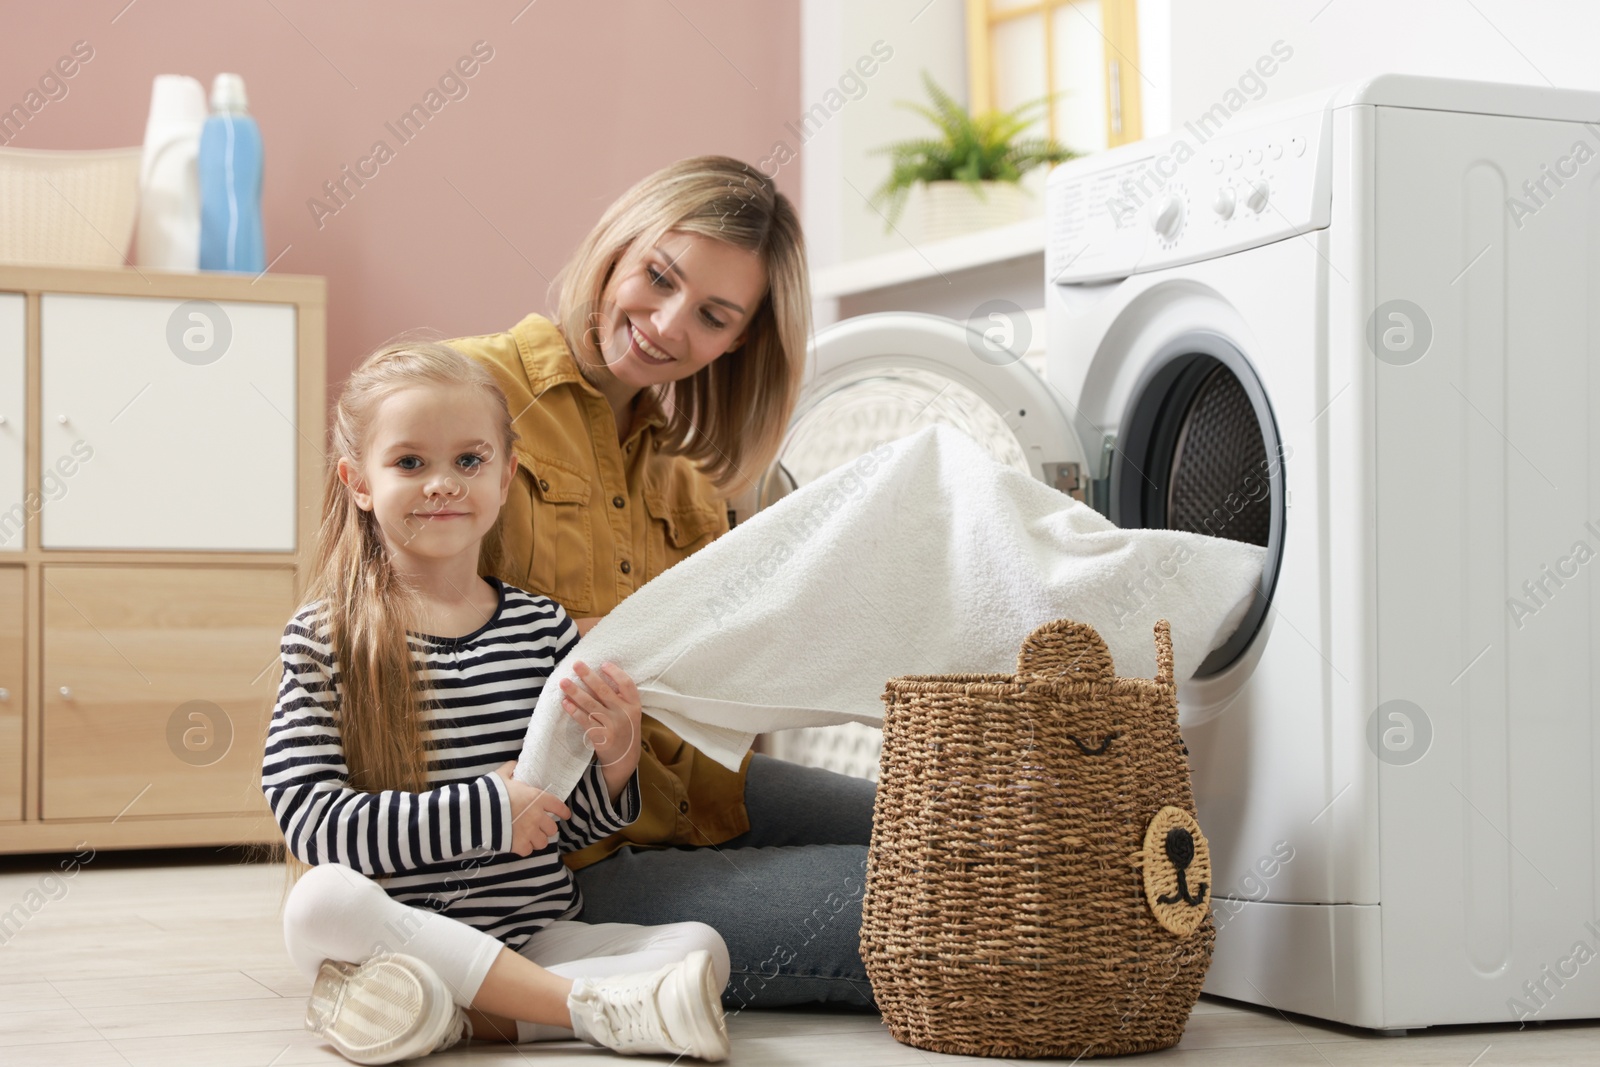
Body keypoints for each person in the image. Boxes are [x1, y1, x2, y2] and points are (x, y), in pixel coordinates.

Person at [448, 155, 879, 1011]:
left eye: (713, 315)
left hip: (689, 798)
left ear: (737, 341)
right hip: (556, 861)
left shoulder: (688, 483)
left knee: (957, 826)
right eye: (659, 276)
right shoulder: (468, 393)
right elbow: (389, 636)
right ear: (619, 246)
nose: (667, 325)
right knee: (930, 897)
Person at [261, 340, 732, 1063]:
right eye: (410, 462)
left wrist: (615, 760)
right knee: (321, 901)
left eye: (469, 461)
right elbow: (315, 823)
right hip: (397, 933)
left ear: (507, 475)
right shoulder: (325, 636)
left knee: (703, 946)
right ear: (358, 481)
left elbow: (566, 827)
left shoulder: (542, 628)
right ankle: (581, 1010)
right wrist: (490, 807)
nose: (443, 483)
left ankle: (448, 1019)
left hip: (532, 932)